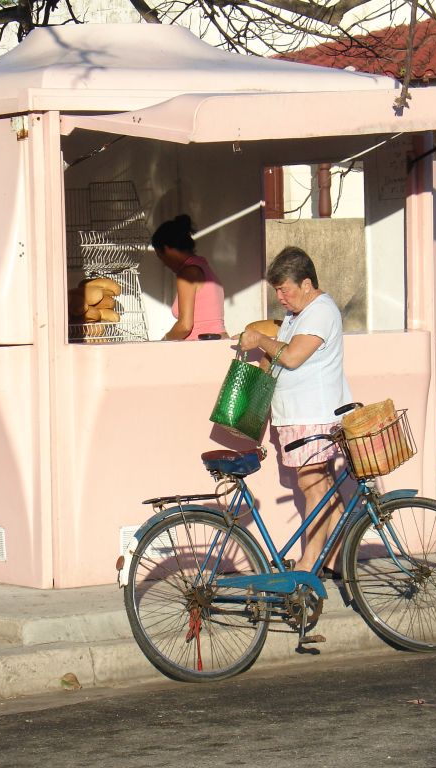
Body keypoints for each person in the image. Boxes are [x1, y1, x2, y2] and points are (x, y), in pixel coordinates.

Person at [239, 246, 352, 574]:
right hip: (299, 415)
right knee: (321, 487)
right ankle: (339, 556)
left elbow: (290, 356)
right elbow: (278, 356)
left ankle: (309, 563)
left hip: (313, 415)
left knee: (313, 486)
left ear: (306, 284)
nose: (281, 298)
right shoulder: (297, 314)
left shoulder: (320, 311)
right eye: (277, 291)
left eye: (284, 290)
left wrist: (260, 338)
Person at [151, 215, 228, 341]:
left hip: (199, 347)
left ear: (167, 249)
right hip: (218, 342)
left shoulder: (188, 273)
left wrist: (161, 343)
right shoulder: (204, 267)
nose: (165, 264)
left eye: (161, 257)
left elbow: (185, 326)